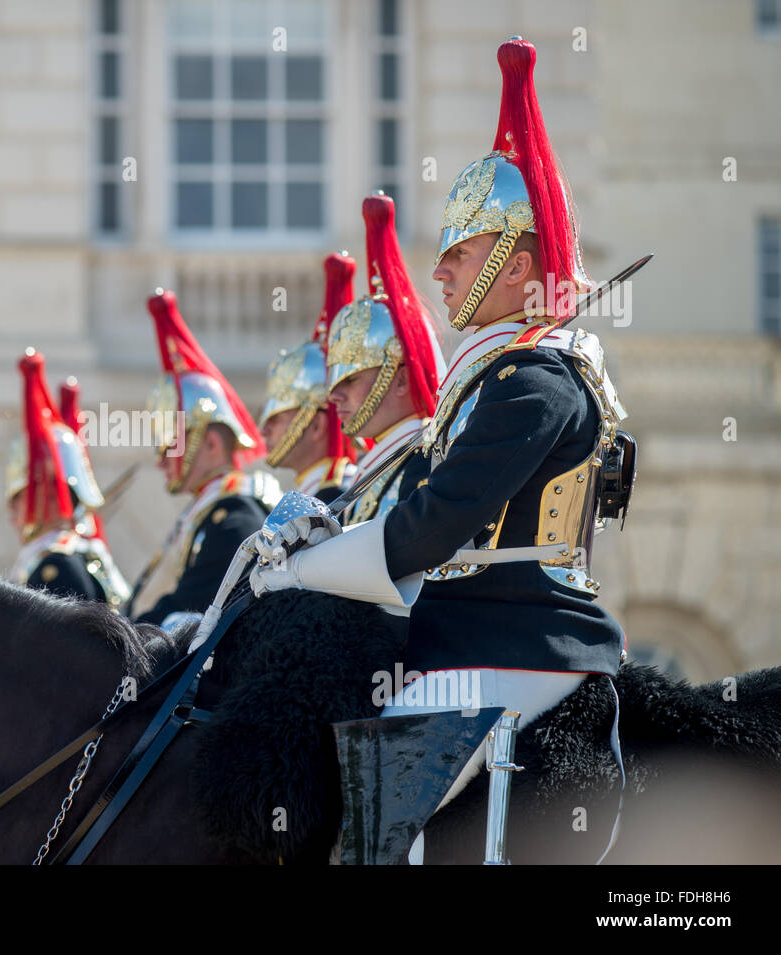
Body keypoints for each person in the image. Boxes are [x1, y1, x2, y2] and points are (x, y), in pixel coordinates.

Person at [251, 38, 633, 860]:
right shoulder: (500, 378)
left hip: (516, 642)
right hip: (477, 634)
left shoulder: (533, 383)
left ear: (516, 260)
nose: (443, 271)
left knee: (381, 772)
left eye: (460, 253)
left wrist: (296, 570)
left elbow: (430, 526)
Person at [130, 289, 280, 627]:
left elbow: (188, 607)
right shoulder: (207, 512)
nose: (161, 461)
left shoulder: (234, 519)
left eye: (171, 447)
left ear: (211, 443)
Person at [324, 193, 447, 526]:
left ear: (402, 378)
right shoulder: (376, 468)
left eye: (349, 379)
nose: (333, 395)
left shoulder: (427, 462)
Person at [5, 348, 129, 606]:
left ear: (46, 499)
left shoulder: (56, 565)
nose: (12, 511)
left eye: (19, 498)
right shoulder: (72, 555)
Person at [258, 252, 363, 505]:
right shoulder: (308, 495)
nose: (264, 429)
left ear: (316, 426)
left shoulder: (338, 497)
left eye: (277, 417)